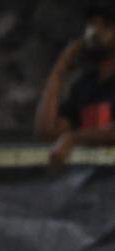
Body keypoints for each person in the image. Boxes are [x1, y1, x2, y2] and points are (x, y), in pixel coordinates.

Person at [35, 3, 115, 166]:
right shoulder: (85, 86)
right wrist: (60, 68)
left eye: (105, 26)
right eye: (92, 25)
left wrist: (73, 138)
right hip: (90, 182)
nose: (95, 33)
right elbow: (46, 130)